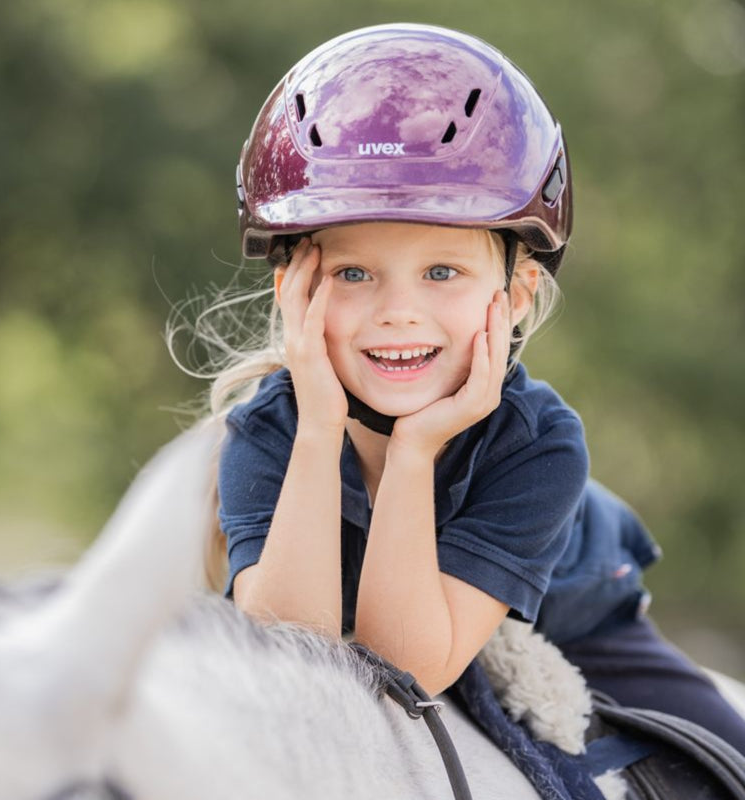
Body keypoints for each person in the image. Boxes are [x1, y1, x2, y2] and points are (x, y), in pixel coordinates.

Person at [201, 23, 745, 753]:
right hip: (408, 608)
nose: (398, 310)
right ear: (293, 293)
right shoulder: (271, 431)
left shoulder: (541, 442)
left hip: (576, 614)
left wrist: (415, 452)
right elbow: (296, 659)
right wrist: (319, 429)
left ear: (518, 294)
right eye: (353, 274)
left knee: (722, 759)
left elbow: (403, 671)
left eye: (442, 272)